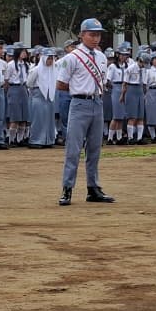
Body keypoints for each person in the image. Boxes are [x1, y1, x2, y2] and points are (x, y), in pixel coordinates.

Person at [57, 18, 113, 206]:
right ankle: (67, 188)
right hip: (80, 103)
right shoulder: (72, 57)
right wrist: (79, 90)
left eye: (98, 35)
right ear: (82, 35)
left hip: (97, 103)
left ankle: (93, 188)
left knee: (95, 149)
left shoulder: (102, 57)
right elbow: (61, 84)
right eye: (92, 34)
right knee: (73, 149)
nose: (96, 38)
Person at [27, 47, 58, 149]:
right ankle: (36, 140)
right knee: (38, 118)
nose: (50, 61)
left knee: (49, 119)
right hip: (38, 95)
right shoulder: (36, 70)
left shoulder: (54, 70)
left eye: (51, 59)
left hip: (50, 96)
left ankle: (48, 140)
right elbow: (29, 83)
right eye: (48, 58)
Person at [5, 44, 31, 147]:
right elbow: (6, 79)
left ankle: (20, 139)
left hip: (23, 88)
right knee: (15, 115)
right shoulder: (11, 64)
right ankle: (11, 139)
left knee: (24, 115)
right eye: (23, 51)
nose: (24, 54)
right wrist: (9, 91)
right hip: (14, 88)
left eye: (25, 52)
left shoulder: (26, 65)